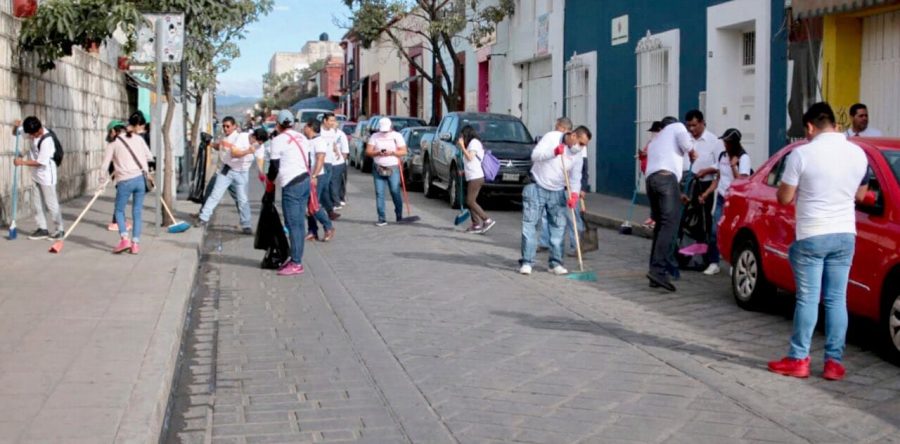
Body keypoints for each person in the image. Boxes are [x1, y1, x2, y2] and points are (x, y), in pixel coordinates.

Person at [768, 102, 868, 381]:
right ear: (835, 124)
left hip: (812, 234)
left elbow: (785, 197)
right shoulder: (859, 154)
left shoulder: (802, 154)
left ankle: (799, 358)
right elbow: (861, 196)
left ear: (810, 127)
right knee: (837, 299)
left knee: (808, 299)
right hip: (845, 234)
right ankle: (834, 363)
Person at [519, 126, 592, 276]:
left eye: (584, 145)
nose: (581, 147)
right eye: (581, 143)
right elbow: (535, 155)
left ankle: (555, 263)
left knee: (558, 228)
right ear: (572, 135)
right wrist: (553, 153)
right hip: (537, 186)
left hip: (558, 191)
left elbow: (575, 177)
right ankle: (527, 262)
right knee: (530, 225)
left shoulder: (577, 155)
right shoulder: (552, 137)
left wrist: (574, 195)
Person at [645, 116, 698, 291]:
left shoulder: (655, 141)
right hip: (666, 179)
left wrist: (678, 192)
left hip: (652, 182)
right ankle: (659, 271)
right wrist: (692, 151)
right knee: (670, 225)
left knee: (660, 225)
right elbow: (686, 144)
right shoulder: (676, 127)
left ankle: (655, 271)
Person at [698, 128, 751, 275]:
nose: (725, 144)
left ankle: (734, 264)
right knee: (715, 230)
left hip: (735, 200)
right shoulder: (722, 155)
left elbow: (742, 181)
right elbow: (718, 178)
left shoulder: (743, 158)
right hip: (722, 198)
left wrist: (734, 166)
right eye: (724, 142)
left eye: (727, 142)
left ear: (734, 143)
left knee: (733, 233)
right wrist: (706, 193)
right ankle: (714, 262)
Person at [266, 110, 312, 276]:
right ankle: (296, 258)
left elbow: (274, 167)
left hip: (291, 185)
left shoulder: (277, 141)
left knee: (293, 225)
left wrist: (269, 182)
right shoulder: (302, 138)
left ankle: (296, 262)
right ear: (292, 123)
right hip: (304, 181)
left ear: (278, 124)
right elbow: (309, 161)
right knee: (299, 224)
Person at [99, 120, 153, 254]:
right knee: (137, 212)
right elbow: (149, 156)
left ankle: (124, 239)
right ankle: (135, 244)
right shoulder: (138, 138)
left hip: (124, 181)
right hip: (140, 180)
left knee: (119, 211)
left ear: (113, 131)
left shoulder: (113, 144)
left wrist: (101, 184)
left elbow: (105, 165)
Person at [196, 116, 256, 234]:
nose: (225, 128)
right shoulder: (225, 137)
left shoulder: (238, 138)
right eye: (223, 126)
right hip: (223, 171)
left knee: (241, 199)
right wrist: (210, 143)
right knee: (213, 195)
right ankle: (203, 218)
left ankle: (246, 225)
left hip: (236, 172)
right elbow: (220, 146)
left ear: (234, 126)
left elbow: (238, 152)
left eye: (228, 126)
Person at [13, 116, 64, 240]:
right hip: (36, 174)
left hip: (47, 174)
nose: (32, 137)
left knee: (51, 203)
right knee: (37, 203)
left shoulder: (47, 140)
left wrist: (22, 162)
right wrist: (16, 126)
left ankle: (60, 230)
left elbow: (41, 162)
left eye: (33, 135)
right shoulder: (31, 130)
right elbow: (16, 133)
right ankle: (42, 228)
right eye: (30, 135)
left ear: (39, 130)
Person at [683, 110, 722, 242]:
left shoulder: (714, 141)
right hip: (687, 183)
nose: (691, 129)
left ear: (702, 123)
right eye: (688, 126)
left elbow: (720, 164)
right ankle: (685, 248)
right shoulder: (686, 139)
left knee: (703, 218)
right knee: (686, 216)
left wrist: (707, 170)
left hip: (704, 185)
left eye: (694, 125)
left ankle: (703, 248)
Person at [538, 117, 574, 250]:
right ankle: (545, 242)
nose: (555, 128)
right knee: (547, 215)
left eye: (557, 126)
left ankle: (574, 245)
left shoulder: (574, 143)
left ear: (563, 128)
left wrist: (579, 187)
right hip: (552, 184)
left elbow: (582, 166)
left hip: (567, 186)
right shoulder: (552, 140)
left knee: (570, 218)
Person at [366, 117, 407, 226]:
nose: (384, 132)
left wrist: (392, 152)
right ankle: (381, 218)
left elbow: (403, 151)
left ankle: (399, 215)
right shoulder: (375, 136)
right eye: (382, 130)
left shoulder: (397, 136)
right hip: (378, 167)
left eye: (386, 130)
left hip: (393, 167)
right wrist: (377, 152)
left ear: (391, 127)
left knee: (395, 191)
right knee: (379, 193)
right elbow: (368, 151)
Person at [457, 125, 496, 233]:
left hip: (476, 177)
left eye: (463, 136)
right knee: (470, 201)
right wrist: (463, 172)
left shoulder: (474, 143)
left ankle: (487, 220)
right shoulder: (471, 144)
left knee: (470, 201)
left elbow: (470, 157)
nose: (462, 138)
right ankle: (476, 224)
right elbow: (472, 163)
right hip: (472, 176)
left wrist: (462, 147)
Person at [303, 119, 336, 242]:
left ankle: (328, 226)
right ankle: (312, 231)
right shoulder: (307, 141)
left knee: (313, 205)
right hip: (306, 176)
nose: (304, 128)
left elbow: (320, 159)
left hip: (317, 177)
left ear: (310, 127)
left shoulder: (319, 141)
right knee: (308, 204)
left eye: (305, 126)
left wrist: (314, 176)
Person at [322, 113, 350, 209]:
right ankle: (328, 202)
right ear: (325, 121)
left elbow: (342, 149)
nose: (333, 124)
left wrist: (338, 154)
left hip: (336, 162)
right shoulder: (321, 132)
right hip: (324, 161)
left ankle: (335, 202)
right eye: (331, 121)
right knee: (327, 183)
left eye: (334, 122)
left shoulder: (339, 134)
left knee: (334, 183)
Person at [640, 121, 663, 228]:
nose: (653, 133)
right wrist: (642, 155)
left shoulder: (663, 144)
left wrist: (647, 154)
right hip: (648, 174)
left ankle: (657, 219)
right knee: (652, 199)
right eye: (652, 131)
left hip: (657, 175)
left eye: (655, 131)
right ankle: (653, 217)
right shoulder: (650, 143)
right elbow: (644, 155)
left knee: (659, 199)